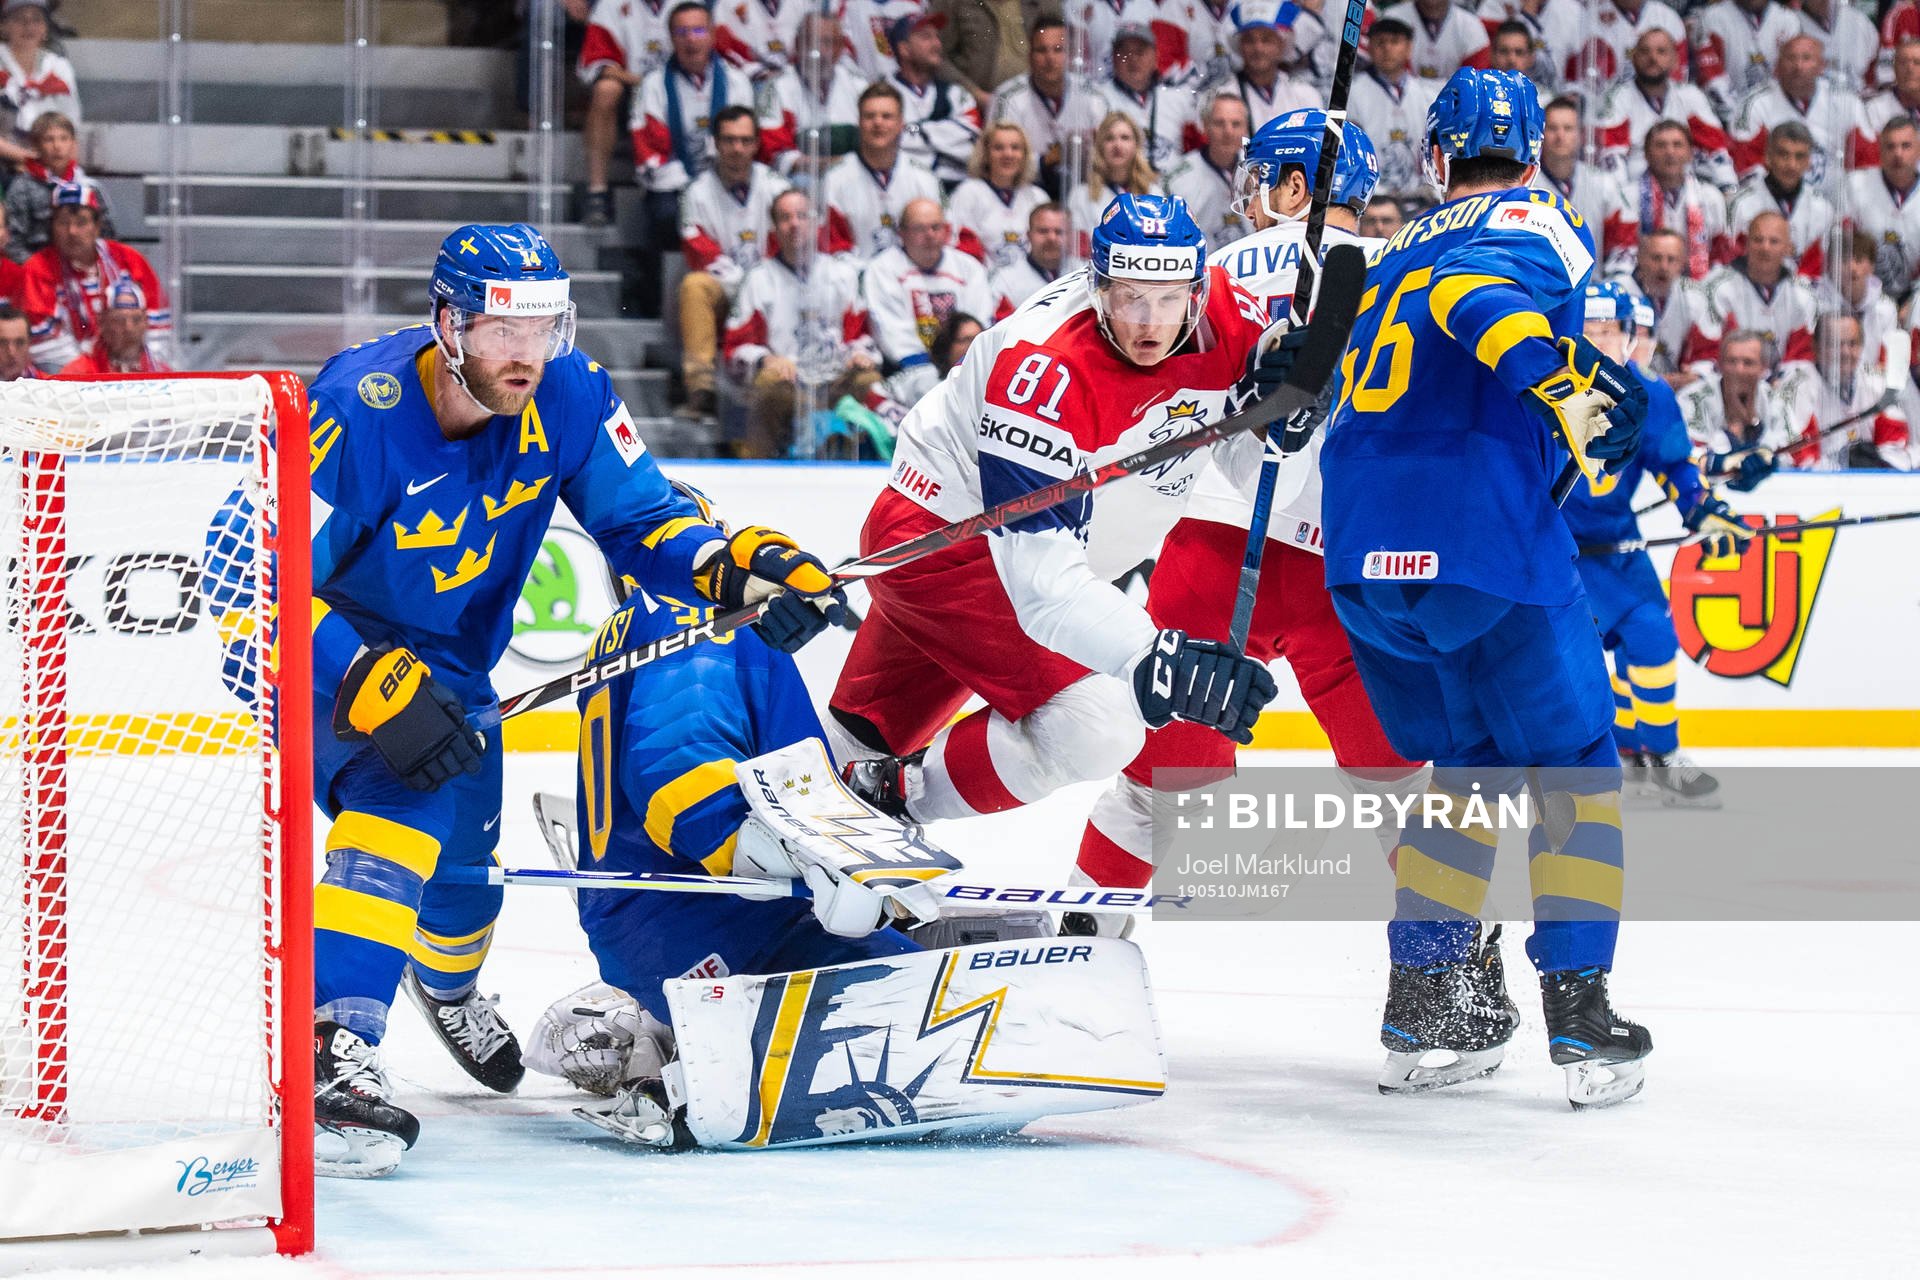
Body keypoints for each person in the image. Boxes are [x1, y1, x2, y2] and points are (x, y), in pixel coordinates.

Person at [299, 223, 846, 1177]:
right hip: (322, 656)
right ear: (448, 324)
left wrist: (733, 567)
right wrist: (361, 674)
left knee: (467, 868)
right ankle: (331, 1051)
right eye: (503, 331)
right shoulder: (355, 409)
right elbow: (248, 576)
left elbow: (643, 520)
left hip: (452, 672)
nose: (526, 354)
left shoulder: (571, 391)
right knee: (406, 803)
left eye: (543, 327)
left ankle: (449, 984)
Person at [1319, 68, 1654, 1107]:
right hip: (1474, 537)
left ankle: (1429, 1008)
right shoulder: (1532, 216)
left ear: (1437, 156)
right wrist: (1563, 374)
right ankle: (1582, 1014)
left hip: (1360, 552)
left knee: (1468, 769)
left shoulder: (1391, 250)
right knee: (1577, 762)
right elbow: (1477, 299)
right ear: (1533, 152)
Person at [829, 192, 1294, 830]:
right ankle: (897, 802)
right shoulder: (1042, 372)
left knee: (850, 748)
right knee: (1098, 726)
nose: (1150, 324)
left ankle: (819, 814)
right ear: (1097, 288)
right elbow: (1042, 589)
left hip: (1004, 562)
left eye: (1167, 300)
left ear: (1195, 287)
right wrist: (1155, 655)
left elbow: (1254, 471)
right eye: (1129, 298)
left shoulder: (1231, 316)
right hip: (948, 545)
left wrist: (1282, 426)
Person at [1074, 111, 1425, 917]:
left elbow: (1154, 401)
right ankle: (1444, 987)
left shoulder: (1222, 268)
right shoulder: (1407, 273)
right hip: (1354, 570)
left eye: (1264, 176)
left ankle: (1075, 956)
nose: (1251, 195)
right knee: (1407, 791)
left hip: (1213, 545)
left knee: (1156, 793)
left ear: (1296, 184)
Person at [528, 484, 921, 1146]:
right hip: (712, 914)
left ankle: (651, 1025)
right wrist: (809, 862)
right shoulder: (691, 611)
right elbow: (679, 771)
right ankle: (675, 1053)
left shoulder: (634, 627)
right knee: (915, 1013)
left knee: (903, 976)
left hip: (663, 920)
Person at [1561, 282, 1744, 808]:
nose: (1598, 341)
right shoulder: (1540, 389)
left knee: (1653, 637)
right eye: (1588, 330)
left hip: (1616, 546)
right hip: (1553, 552)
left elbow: (1673, 468)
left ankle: (1661, 755)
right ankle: (1609, 752)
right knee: (1574, 664)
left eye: (1609, 331)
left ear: (1629, 336)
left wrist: (1703, 511)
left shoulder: (1653, 396)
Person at [724, 189, 881, 458]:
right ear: (774, 227)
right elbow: (737, 346)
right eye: (785, 218)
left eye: (802, 216)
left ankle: (874, 467)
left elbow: (860, 333)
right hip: (788, 380)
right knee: (769, 386)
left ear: (817, 222)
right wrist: (766, 360)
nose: (794, 224)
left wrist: (859, 354)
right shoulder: (759, 279)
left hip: (835, 377)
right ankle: (758, 469)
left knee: (870, 380)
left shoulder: (841, 274)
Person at [628, 2, 768, 277]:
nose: (691, 39)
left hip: (728, 177)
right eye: (682, 32)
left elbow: (745, 139)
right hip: (675, 186)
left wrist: (718, 178)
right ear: (671, 38)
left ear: (713, 35)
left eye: (698, 30)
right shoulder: (653, 85)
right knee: (666, 214)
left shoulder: (737, 82)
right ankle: (654, 292)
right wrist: (696, 188)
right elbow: (649, 154)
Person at [672, 106, 790, 426]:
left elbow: (791, 245)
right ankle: (702, 390)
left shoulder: (778, 188)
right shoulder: (696, 192)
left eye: (745, 140)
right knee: (695, 285)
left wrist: (762, 286)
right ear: (716, 143)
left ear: (756, 144)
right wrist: (748, 285)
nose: (737, 148)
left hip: (775, 293)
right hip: (727, 292)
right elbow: (700, 252)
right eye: (729, 140)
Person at [21, 181, 168, 374]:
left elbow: (158, 326)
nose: (72, 231)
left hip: (132, 363)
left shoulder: (129, 260)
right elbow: (44, 343)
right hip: (70, 370)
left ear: (97, 226)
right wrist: (90, 370)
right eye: (63, 223)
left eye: (81, 222)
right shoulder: (37, 268)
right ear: (52, 227)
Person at [862, 197, 994, 408]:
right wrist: (931, 367)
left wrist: (962, 364)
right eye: (919, 228)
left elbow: (978, 324)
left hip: (965, 366)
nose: (930, 235)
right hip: (909, 370)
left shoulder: (969, 268)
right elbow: (890, 330)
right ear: (901, 233)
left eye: (935, 227)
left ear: (946, 230)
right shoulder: (882, 269)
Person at [1728, 34, 1875, 194]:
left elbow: (1868, 161)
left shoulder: (1846, 100)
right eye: (1791, 58)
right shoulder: (1754, 103)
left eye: (1806, 58)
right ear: (1777, 66)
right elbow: (1747, 167)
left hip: (1836, 202)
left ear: (1822, 66)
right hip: (1777, 200)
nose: (1798, 66)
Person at [1594, 28, 1735, 191]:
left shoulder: (1690, 96)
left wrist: (1728, 188)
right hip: (1635, 189)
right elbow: (1611, 156)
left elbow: (1715, 149)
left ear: (1675, 60)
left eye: (1661, 52)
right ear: (1633, 58)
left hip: (1686, 187)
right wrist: (1622, 198)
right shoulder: (1618, 97)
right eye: (1645, 51)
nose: (1653, 58)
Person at [822, 82, 944, 266]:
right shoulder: (834, 178)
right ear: (859, 122)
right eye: (870, 116)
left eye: (887, 116)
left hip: (913, 281)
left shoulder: (925, 177)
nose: (878, 123)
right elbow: (832, 249)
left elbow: (944, 238)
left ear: (901, 123)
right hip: (855, 280)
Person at [576, 0, 674, 225]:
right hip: (631, 90)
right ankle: (597, 191)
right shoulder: (612, 4)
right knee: (606, 89)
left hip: (677, 90)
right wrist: (646, 82)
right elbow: (599, 63)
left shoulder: (688, 3)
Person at [987, 16, 1108, 198]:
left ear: (1071, 55)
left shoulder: (1094, 96)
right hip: (1023, 191)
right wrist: (1049, 159)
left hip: (1084, 190)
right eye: (1041, 50)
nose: (1050, 58)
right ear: (1029, 56)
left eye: (1058, 50)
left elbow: (1108, 158)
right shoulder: (1008, 97)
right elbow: (994, 160)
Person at [1681, 209, 1816, 371]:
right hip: (1730, 381)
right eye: (1758, 240)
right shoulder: (1717, 287)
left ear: (1788, 247)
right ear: (1746, 243)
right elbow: (1706, 355)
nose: (1765, 248)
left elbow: (1803, 358)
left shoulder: (1803, 293)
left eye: (1774, 241)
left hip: (1782, 386)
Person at [1775, 311, 1910, 468]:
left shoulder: (1878, 382)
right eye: (1835, 344)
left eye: (1852, 344)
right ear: (1815, 347)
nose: (1845, 352)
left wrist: (1876, 464)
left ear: (1861, 347)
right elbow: (1798, 457)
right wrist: (1842, 467)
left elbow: (1896, 450)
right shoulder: (1797, 386)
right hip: (1818, 488)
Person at [1601, 122, 1732, 279]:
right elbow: (1620, 261)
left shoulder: (1711, 197)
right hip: (1642, 288)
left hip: (1700, 290)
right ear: (1646, 154)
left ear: (1690, 153)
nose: (1670, 152)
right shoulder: (1626, 197)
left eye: (1677, 145)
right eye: (1661, 145)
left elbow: (1720, 258)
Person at [759, 10, 866, 177]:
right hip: (801, 180)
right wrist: (835, 166)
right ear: (797, 44)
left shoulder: (858, 85)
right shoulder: (777, 87)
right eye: (812, 41)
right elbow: (776, 154)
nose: (819, 51)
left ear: (840, 48)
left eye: (828, 42)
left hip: (854, 179)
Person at [1724, 121, 1835, 280]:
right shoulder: (1741, 203)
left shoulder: (1822, 208)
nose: (1791, 165)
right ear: (1768, 156)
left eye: (1799, 156)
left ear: (1809, 161)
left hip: (1805, 297)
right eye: (1783, 154)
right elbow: (1729, 261)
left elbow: (1822, 270)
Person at [885, 12, 981, 186]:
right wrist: (947, 134)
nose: (937, 44)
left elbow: (972, 142)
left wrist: (914, 129)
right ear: (904, 49)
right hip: (906, 185)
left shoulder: (957, 94)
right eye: (926, 37)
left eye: (937, 37)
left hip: (958, 187)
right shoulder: (882, 94)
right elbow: (887, 142)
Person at [1348, 19, 1440, 201]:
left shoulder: (1428, 93)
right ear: (1370, 47)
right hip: (1371, 197)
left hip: (1420, 196)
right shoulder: (1353, 92)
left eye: (1395, 42)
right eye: (1381, 42)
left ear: (1409, 47)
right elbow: (1352, 153)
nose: (1387, 48)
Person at [5, 112, 111, 261]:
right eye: (49, 140)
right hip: (39, 273)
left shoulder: (89, 187)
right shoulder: (22, 189)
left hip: (84, 271)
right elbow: (12, 244)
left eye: (64, 139)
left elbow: (108, 238)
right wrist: (42, 272)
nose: (57, 146)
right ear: (36, 146)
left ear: (73, 144)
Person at [948, 121, 1050, 272]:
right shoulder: (968, 193)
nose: (1008, 154)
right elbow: (960, 248)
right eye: (998, 148)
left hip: (1033, 287)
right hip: (986, 287)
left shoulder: (1038, 197)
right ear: (986, 154)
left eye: (1015, 148)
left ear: (1025, 154)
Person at [1675, 328, 1792, 459]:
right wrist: (1731, 435)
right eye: (1731, 361)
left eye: (1748, 363)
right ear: (1719, 364)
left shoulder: (1774, 398)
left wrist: (1753, 426)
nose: (1739, 370)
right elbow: (1692, 454)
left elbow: (1789, 454)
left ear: (1763, 368)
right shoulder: (1691, 399)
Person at [1099, 21, 1198, 173]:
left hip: (1170, 191)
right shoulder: (1099, 99)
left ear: (1155, 56)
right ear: (1113, 57)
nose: (1133, 59)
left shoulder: (1178, 98)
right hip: (1120, 191)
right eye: (1125, 52)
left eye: (1140, 52)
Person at [1207, 0, 1317, 131]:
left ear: (1282, 45)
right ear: (1239, 46)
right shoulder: (1222, 94)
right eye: (1249, 40)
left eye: (1266, 40)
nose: (1258, 48)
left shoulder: (1305, 94)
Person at [1065, 111, 1160, 259]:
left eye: (1125, 138)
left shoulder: (1155, 194)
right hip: (1097, 278)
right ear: (1100, 145)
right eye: (1109, 138)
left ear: (1137, 145)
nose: (1117, 145)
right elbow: (1078, 255)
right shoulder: (1081, 196)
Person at [1693, 0, 1805, 120]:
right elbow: (1712, 80)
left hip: (1777, 117)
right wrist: (1740, 118)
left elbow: (1794, 78)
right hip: (1726, 119)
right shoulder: (1712, 18)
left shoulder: (1788, 19)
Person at [1165, 93, 1250, 250]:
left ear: (1246, 128)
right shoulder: (1178, 178)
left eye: (1236, 124)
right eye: (1219, 123)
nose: (1228, 132)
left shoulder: (1260, 171)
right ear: (1204, 126)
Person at [1847, 116, 1920, 298]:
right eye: (1890, 146)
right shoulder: (1855, 184)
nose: (1898, 154)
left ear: (1918, 150)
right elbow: (1842, 246)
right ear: (1880, 150)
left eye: (1906, 146)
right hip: (1862, 291)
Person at [1531, 96, 1626, 233]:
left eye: (1568, 128)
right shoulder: (1526, 183)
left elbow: (1619, 242)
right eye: (1552, 128)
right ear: (1540, 134)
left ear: (1581, 135)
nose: (1560, 136)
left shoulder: (1603, 183)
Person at [0, 0, 78, 166]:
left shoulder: (58, 67)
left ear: (45, 29)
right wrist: (27, 159)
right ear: (4, 27)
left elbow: (72, 124)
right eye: (20, 19)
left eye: (36, 20)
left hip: (50, 163)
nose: (29, 26)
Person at [1614, 225, 1699, 376]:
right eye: (1656, 258)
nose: (1663, 267)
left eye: (1671, 259)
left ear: (1683, 263)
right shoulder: (1617, 292)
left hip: (1674, 386)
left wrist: (1693, 373)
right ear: (1639, 258)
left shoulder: (1692, 295)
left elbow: (1705, 351)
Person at [1564, 0, 1687, 89]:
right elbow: (1578, 81)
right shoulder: (1590, 17)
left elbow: (1677, 78)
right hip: (1610, 107)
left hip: (1654, 102)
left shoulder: (1667, 17)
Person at [58, 277, 169, 375]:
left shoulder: (161, 374)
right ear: (102, 322)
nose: (128, 328)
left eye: (136, 319)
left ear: (146, 322)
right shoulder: (77, 374)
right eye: (119, 320)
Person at [989, 200, 1069, 319]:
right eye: (1043, 231)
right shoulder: (1005, 280)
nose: (1051, 238)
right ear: (1028, 235)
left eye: (1059, 232)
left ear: (1071, 236)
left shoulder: (1085, 272)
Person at [1377, 0, 1488, 81]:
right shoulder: (1392, 18)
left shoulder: (1472, 26)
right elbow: (1389, 74)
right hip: (1403, 100)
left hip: (1454, 104)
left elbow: (1473, 82)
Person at [0, 304, 37, 380]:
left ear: (29, 344)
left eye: (19, 343)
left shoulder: (49, 386)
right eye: (2, 343)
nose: (11, 352)